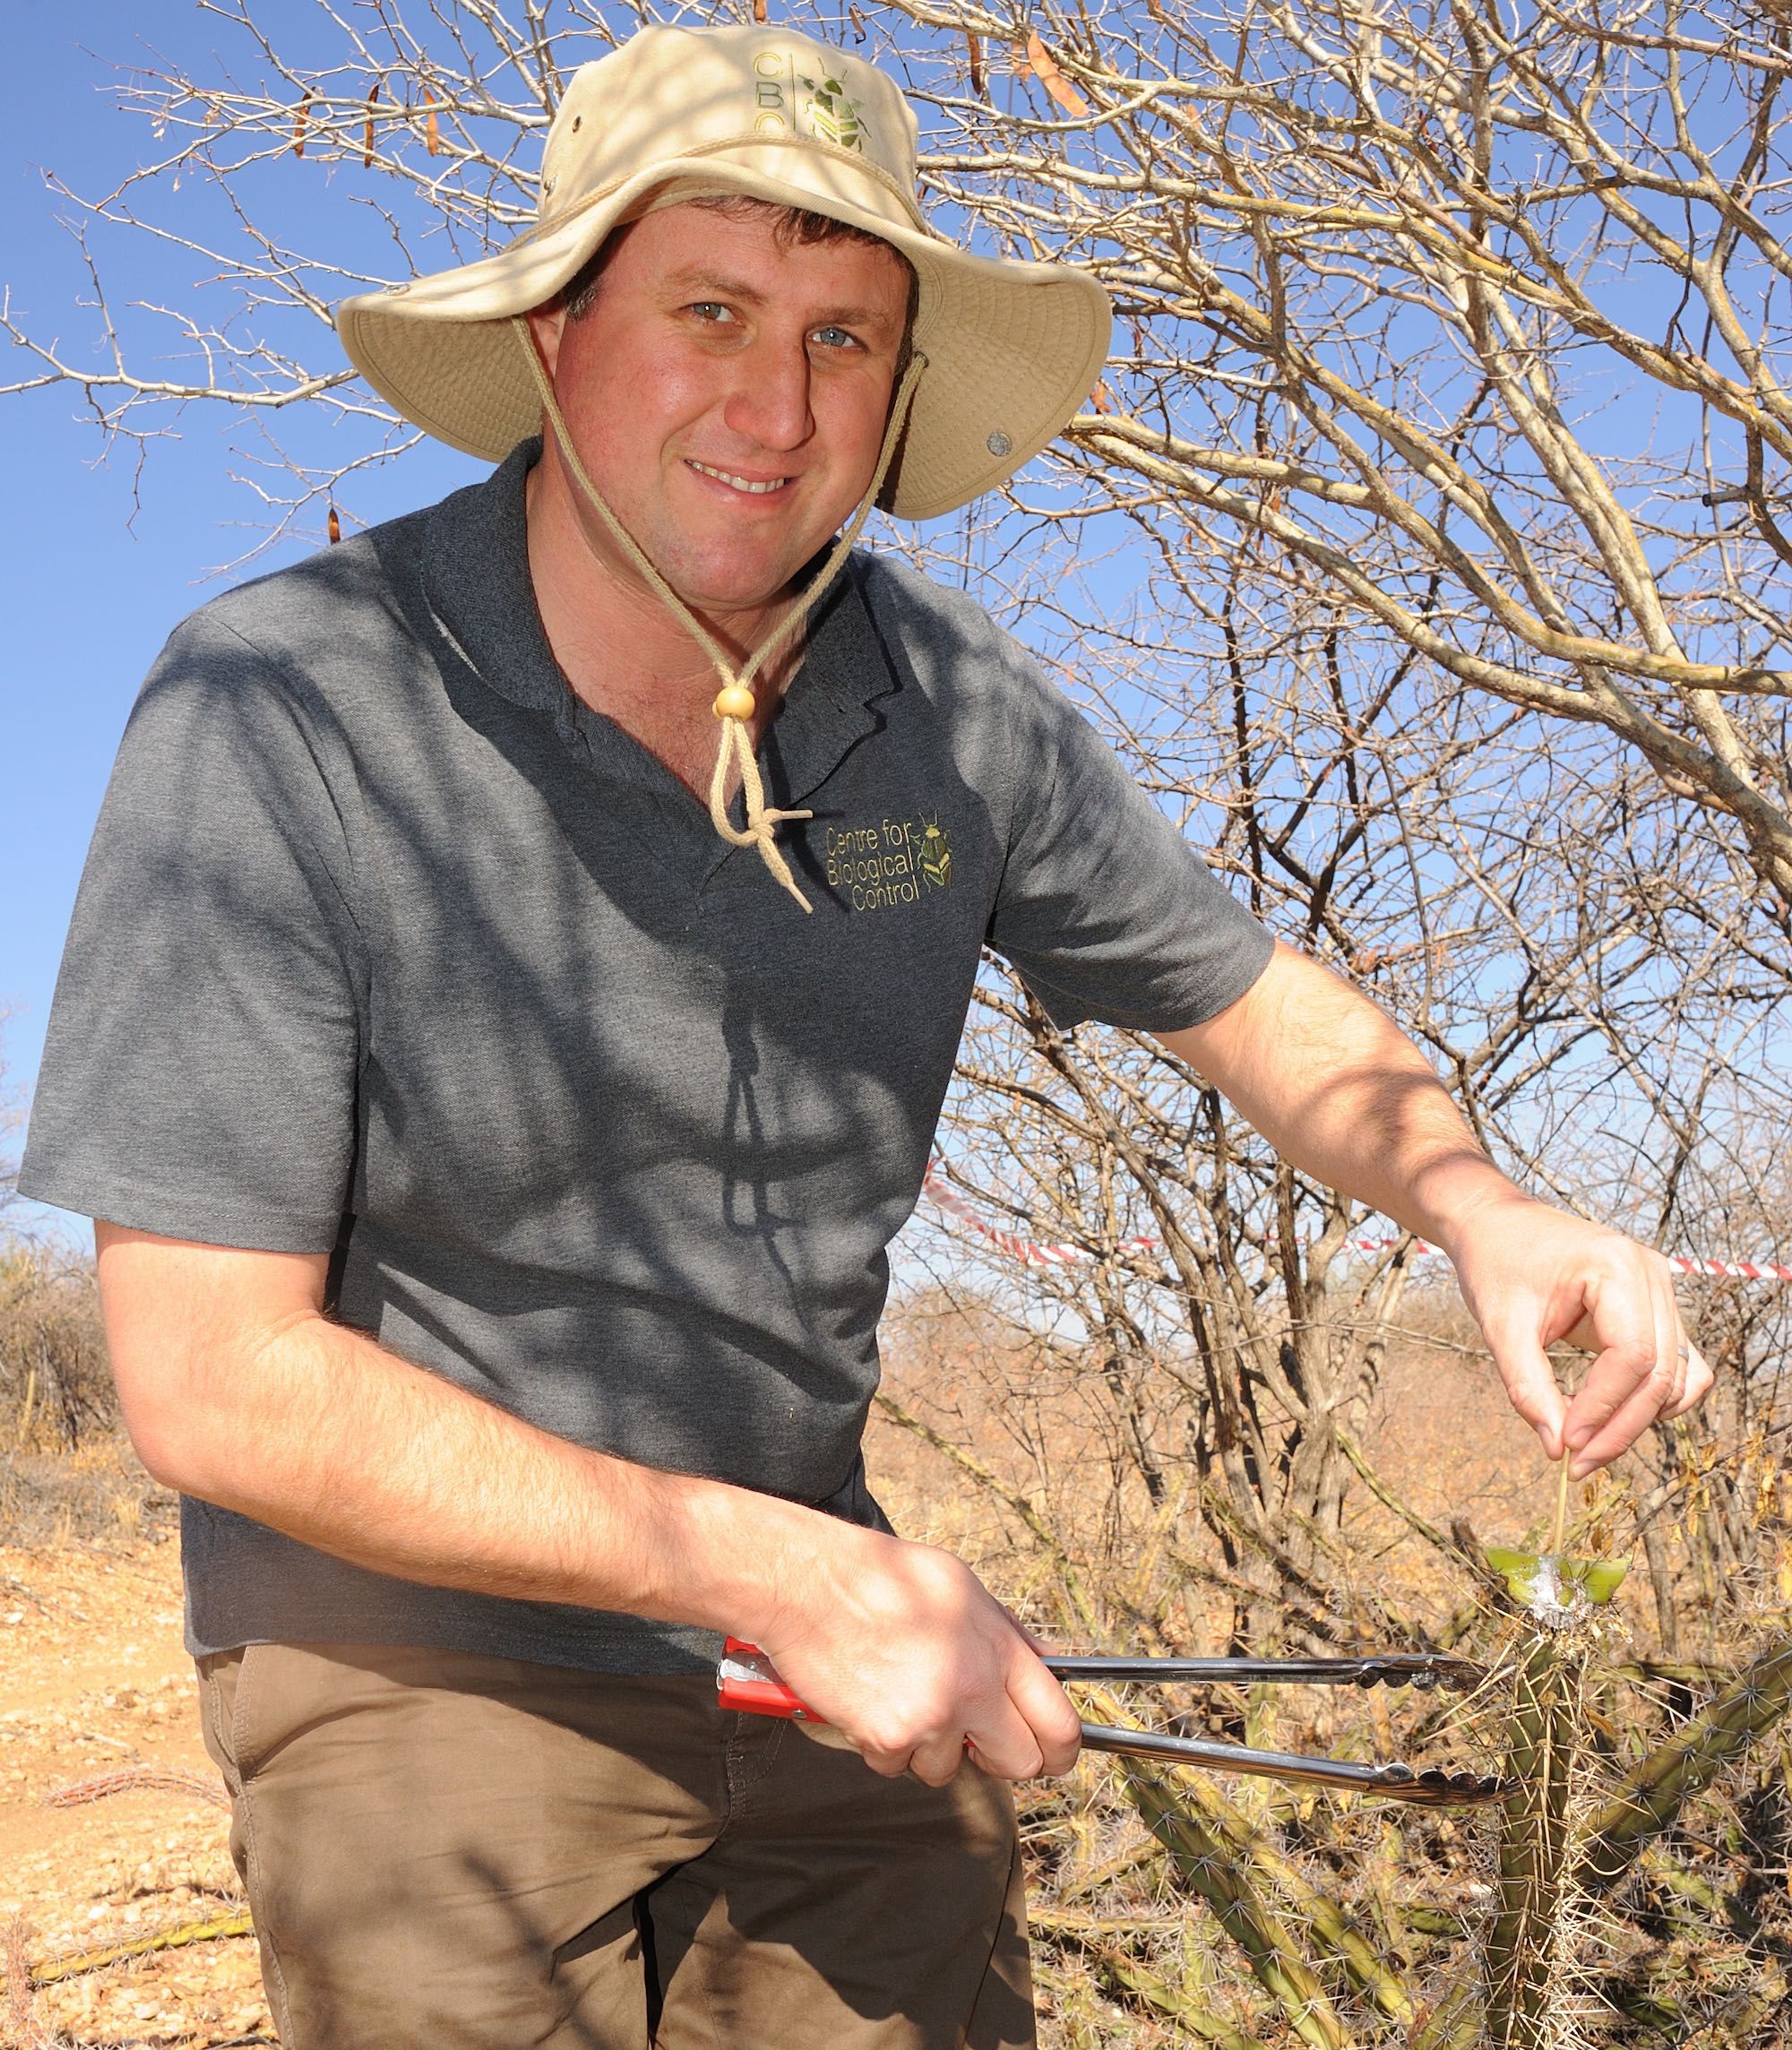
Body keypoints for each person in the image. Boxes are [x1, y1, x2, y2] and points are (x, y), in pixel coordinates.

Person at [21, 23, 1710, 2050]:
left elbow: (1242, 991)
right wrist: (766, 1570)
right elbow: (209, 1381)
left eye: (843, 336)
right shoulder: (283, 706)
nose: (775, 399)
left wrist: (1475, 1202)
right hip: (420, 1647)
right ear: (555, 336)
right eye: (711, 308)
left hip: (807, 1612)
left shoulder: (944, 707)